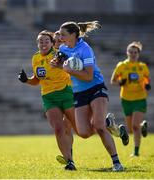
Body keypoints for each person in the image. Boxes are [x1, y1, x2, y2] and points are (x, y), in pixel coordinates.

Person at [56, 21, 125, 171]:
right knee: (84, 133)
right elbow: (62, 63)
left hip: (95, 88)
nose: (60, 37)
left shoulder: (85, 49)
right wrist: (57, 64)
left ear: (73, 35)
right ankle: (108, 122)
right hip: (79, 92)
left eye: (63, 34)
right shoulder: (62, 48)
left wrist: (68, 70)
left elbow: (88, 76)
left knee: (98, 127)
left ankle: (117, 163)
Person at [18, 30, 77, 170]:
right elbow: (37, 80)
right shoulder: (35, 58)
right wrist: (26, 80)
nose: (43, 43)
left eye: (46, 41)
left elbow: (72, 65)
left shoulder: (58, 54)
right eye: (41, 41)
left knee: (78, 128)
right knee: (58, 128)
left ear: (52, 43)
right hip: (49, 97)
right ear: (37, 43)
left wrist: (63, 60)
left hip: (66, 93)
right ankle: (70, 161)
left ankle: (106, 125)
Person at [110, 41, 151, 156]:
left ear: (138, 54)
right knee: (131, 129)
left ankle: (136, 151)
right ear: (127, 52)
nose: (133, 54)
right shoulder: (121, 66)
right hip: (126, 99)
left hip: (140, 98)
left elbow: (147, 80)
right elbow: (112, 81)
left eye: (135, 52)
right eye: (131, 52)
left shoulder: (142, 67)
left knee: (134, 125)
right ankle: (142, 126)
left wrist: (147, 85)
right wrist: (120, 82)